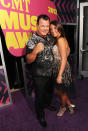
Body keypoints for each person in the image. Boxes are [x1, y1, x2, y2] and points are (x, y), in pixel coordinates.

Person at [26, 15, 56, 127]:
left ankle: (47, 104)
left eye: (47, 26)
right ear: (37, 25)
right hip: (39, 75)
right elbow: (28, 60)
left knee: (49, 92)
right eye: (42, 26)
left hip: (51, 72)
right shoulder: (32, 40)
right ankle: (40, 115)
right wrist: (35, 51)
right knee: (39, 97)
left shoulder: (49, 37)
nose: (45, 28)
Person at [50, 20, 76, 117]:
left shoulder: (60, 40)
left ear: (59, 28)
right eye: (51, 29)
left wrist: (60, 75)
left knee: (60, 90)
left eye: (55, 28)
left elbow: (64, 58)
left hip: (61, 68)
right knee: (61, 90)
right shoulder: (61, 38)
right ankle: (69, 105)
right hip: (60, 66)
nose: (53, 31)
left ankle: (63, 107)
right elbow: (67, 52)